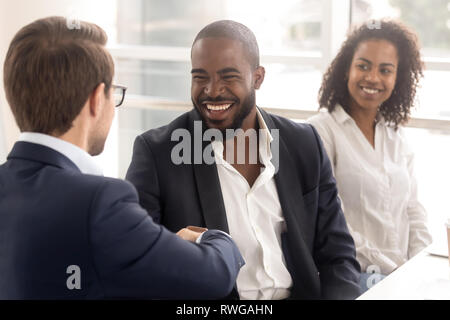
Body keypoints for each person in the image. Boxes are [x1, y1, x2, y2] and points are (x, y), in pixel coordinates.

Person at [0, 16, 244, 300]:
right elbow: (211, 277)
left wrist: (152, 247)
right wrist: (215, 239)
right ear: (95, 100)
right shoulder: (100, 202)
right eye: (114, 93)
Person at [126, 20, 361, 300]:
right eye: (200, 77)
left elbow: (338, 256)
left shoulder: (303, 143)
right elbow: (135, 264)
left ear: (258, 78)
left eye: (228, 77)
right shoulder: (157, 153)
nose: (212, 91)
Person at [307, 20, 432, 293]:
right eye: (363, 66)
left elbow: (414, 211)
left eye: (385, 70)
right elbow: (328, 222)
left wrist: (422, 264)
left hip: (403, 273)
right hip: (355, 274)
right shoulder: (321, 132)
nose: (373, 78)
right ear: (346, 70)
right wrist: (392, 267)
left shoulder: (395, 135)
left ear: (397, 78)